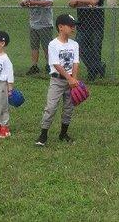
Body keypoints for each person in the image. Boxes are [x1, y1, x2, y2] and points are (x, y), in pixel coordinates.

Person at [36, 14, 81, 147]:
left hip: (71, 81)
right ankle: (43, 135)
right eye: (70, 25)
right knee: (51, 107)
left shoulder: (74, 44)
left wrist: (74, 80)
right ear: (61, 27)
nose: (73, 28)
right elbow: (56, 64)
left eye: (74, 26)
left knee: (68, 107)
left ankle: (63, 133)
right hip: (57, 80)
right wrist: (69, 78)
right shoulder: (53, 44)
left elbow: (76, 62)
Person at [69, 0, 106, 81]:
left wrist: (79, 1)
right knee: (78, 47)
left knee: (95, 49)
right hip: (82, 25)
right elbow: (71, 2)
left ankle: (92, 72)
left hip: (96, 25)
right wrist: (78, 2)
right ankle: (98, 67)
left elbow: (95, 1)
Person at [19, 0, 54, 75]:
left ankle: (49, 65)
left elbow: (49, 2)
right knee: (34, 47)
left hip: (45, 24)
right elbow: (22, 2)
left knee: (47, 47)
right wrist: (24, 3)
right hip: (33, 24)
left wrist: (33, 3)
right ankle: (34, 66)